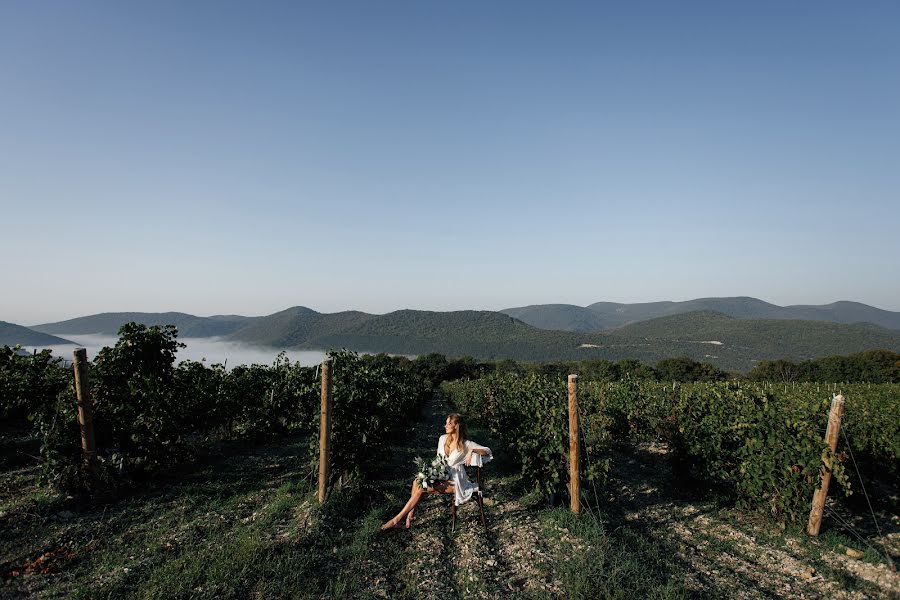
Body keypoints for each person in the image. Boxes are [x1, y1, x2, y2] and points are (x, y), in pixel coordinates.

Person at [381, 413, 492, 530]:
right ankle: (409, 518)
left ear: (457, 426)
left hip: (456, 481)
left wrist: (472, 451)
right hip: (441, 475)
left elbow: (487, 451)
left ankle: (396, 520)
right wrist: (431, 473)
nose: (446, 425)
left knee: (421, 488)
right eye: (446, 423)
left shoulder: (466, 444)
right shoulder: (442, 439)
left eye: (449, 423)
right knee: (416, 482)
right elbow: (438, 459)